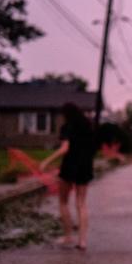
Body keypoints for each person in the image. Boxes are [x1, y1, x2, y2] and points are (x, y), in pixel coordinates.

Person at [39, 103, 95, 250]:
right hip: (85, 166)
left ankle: (68, 236)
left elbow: (65, 148)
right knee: (81, 203)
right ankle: (82, 241)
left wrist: (46, 161)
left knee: (63, 201)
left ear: (66, 114)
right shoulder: (88, 126)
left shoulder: (67, 127)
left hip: (70, 166)